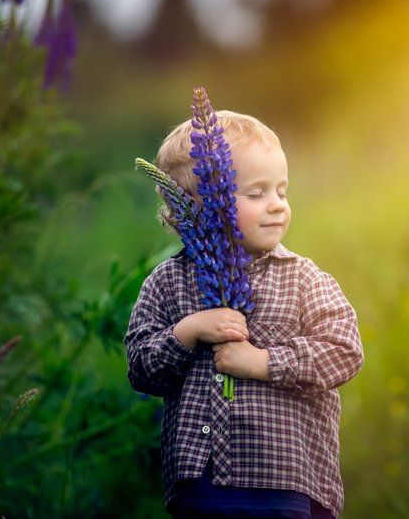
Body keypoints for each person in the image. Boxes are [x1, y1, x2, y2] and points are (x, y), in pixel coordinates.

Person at [123, 111, 364, 519]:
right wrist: (187, 331)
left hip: (285, 484)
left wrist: (264, 362)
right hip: (200, 486)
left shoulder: (304, 279)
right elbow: (141, 368)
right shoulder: (167, 282)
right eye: (256, 194)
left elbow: (344, 351)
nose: (277, 206)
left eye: (282, 192)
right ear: (198, 208)